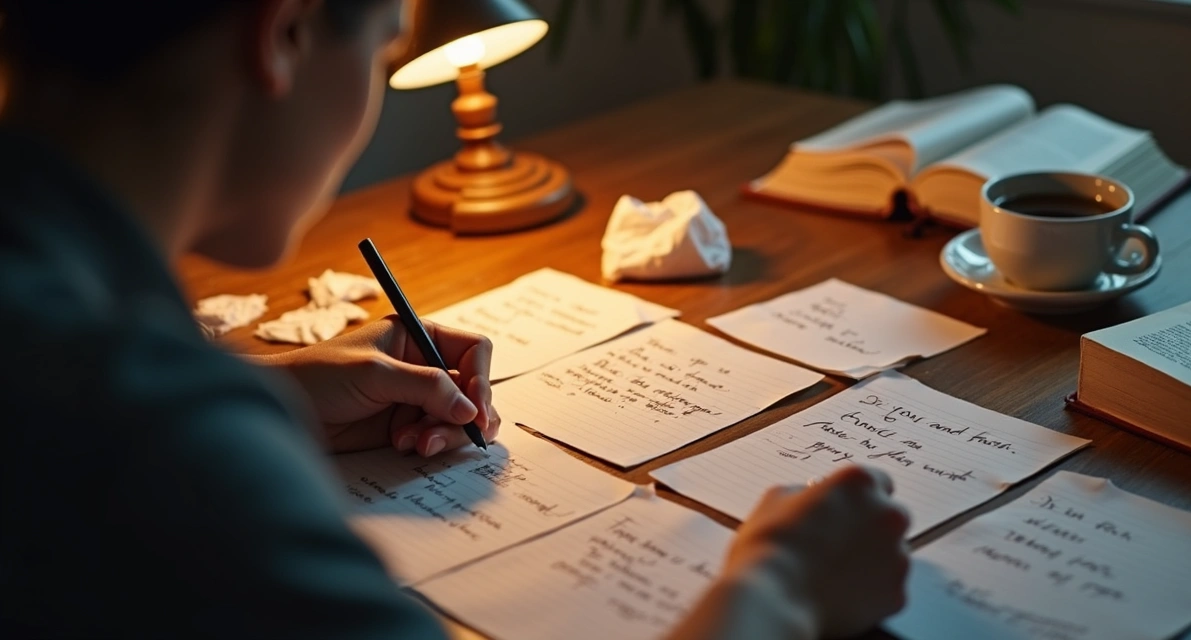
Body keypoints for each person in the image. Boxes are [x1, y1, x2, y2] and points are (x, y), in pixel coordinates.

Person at [0, 1, 910, 637]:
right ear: (283, 30)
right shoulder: (155, 441)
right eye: (388, 52)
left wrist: (261, 392)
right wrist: (782, 594)